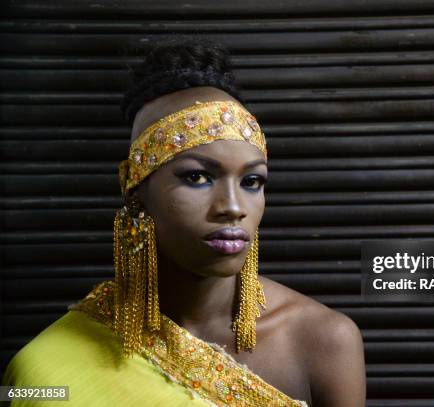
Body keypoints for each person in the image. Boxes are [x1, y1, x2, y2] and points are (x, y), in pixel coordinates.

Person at [1, 40, 366, 406]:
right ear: (135, 190)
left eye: (251, 181)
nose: (233, 207)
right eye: (197, 178)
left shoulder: (324, 342)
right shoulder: (41, 369)